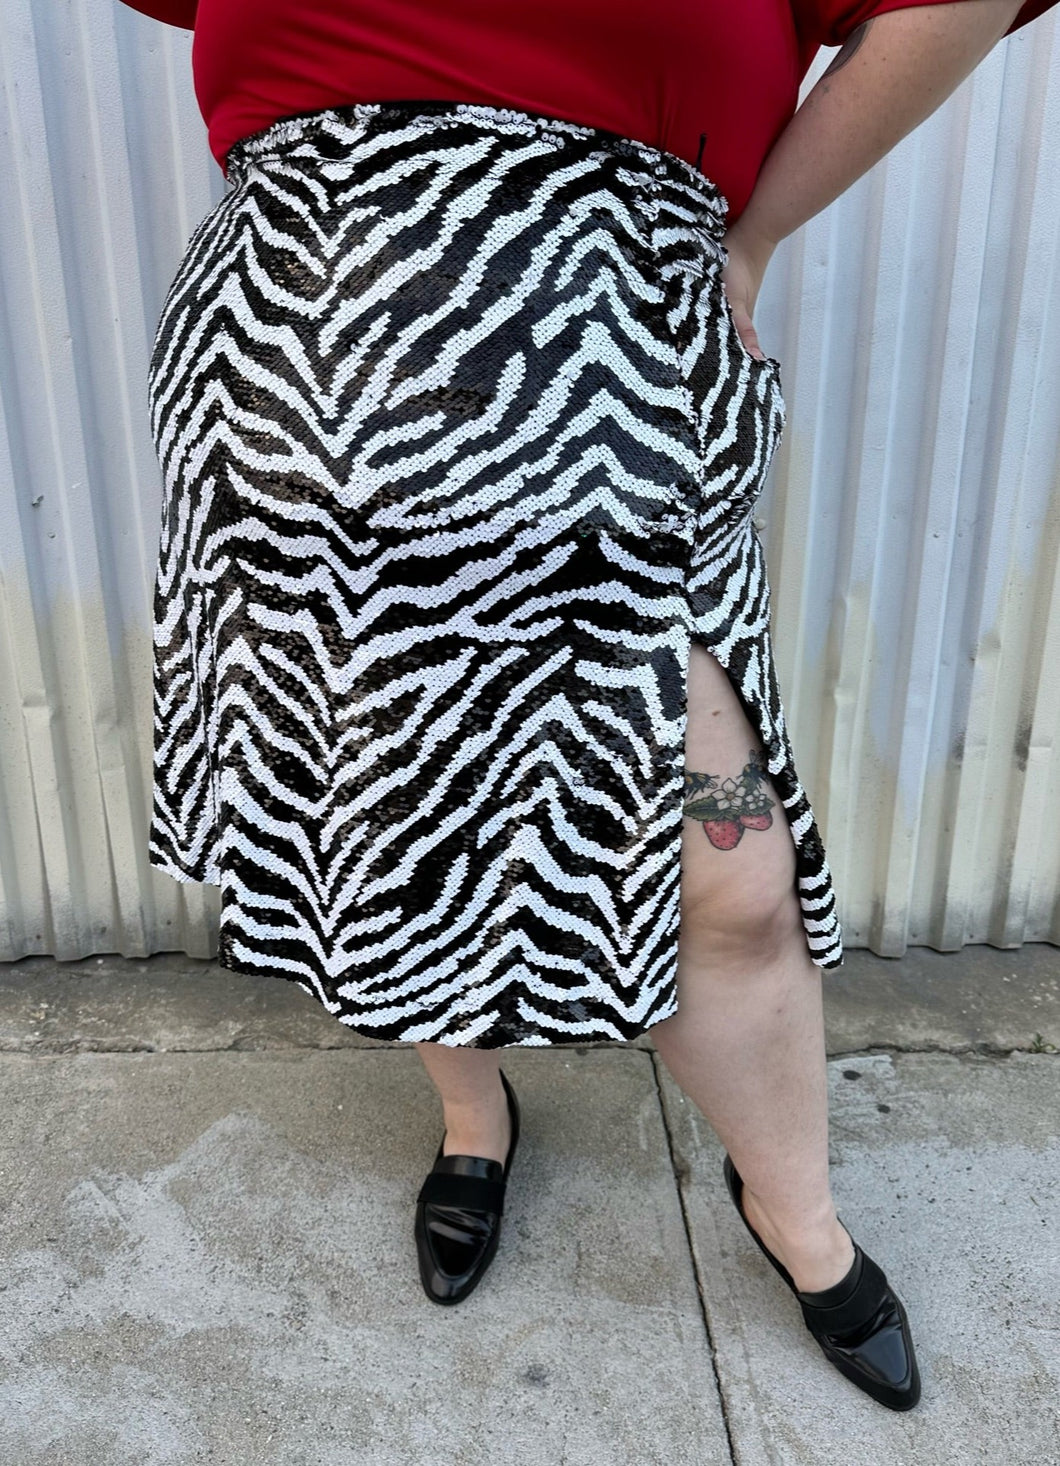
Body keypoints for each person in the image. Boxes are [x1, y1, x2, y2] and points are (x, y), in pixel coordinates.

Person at [120, 0, 1055, 1413]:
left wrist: (751, 237)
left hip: (610, 364)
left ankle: (794, 1210)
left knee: (722, 866)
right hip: (304, 365)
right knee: (403, 811)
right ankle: (471, 1112)